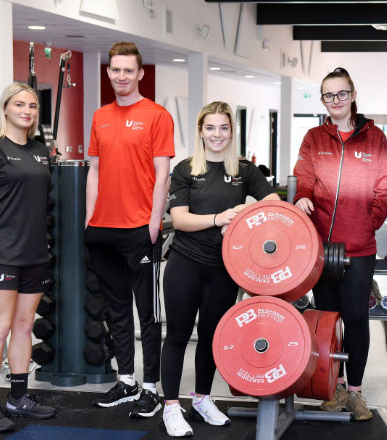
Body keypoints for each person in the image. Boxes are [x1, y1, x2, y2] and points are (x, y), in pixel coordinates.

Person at [160, 101, 279, 437]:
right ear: (200, 130)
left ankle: (201, 399)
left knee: (213, 338)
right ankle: (171, 406)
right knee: (179, 336)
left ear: (231, 131)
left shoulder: (243, 169)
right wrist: (218, 218)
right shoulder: (185, 169)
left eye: (223, 128)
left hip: (224, 269)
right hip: (185, 265)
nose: (217, 134)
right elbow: (180, 220)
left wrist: (243, 209)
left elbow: (273, 202)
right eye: (210, 128)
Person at [293, 67, 387, 421]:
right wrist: (302, 197)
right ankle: (333, 388)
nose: (335, 100)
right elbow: (303, 177)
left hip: (359, 249)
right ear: (323, 100)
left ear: (352, 95)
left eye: (341, 93)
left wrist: (366, 227)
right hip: (320, 249)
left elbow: (384, 189)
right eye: (328, 95)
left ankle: (355, 392)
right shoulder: (313, 137)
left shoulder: (375, 138)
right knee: (326, 319)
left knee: (355, 319)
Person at [84, 41, 174, 418]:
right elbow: (94, 170)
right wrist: (89, 219)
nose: (121, 76)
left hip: (140, 228)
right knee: (116, 310)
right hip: (102, 229)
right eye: (115, 70)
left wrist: (154, 222)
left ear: (139, 74)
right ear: (109, 73)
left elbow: (162, 174)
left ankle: (151, 387)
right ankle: (127, 380)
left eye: (128, 70)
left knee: (148, 312)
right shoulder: (100, 116)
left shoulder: (156, 115)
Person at [0, 83, 56, 433]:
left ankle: (18, 397)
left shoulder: (37, 150)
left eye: (32, 105)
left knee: (23, 325)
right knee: (0, 327)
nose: (27, 111)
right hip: (1, 252)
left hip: (35, 251)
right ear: (5, 108)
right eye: (19, 104)